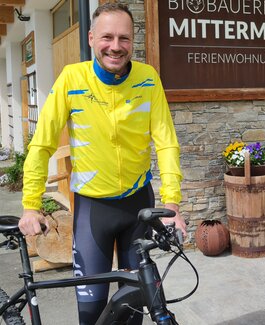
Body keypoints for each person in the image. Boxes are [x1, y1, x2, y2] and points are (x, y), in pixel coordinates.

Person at [18, 3, 186, 324]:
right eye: (107, 37)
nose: (115, 46)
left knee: (134, 308)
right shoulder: (72, 79)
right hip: (93, 212)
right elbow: (42, 144)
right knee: (92, 311)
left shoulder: (148, 79)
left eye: (124, 38)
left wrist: (173, 202)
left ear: (132, 41)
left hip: (138, 207)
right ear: (93, 38)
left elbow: (166, 142)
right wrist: (30, 205)